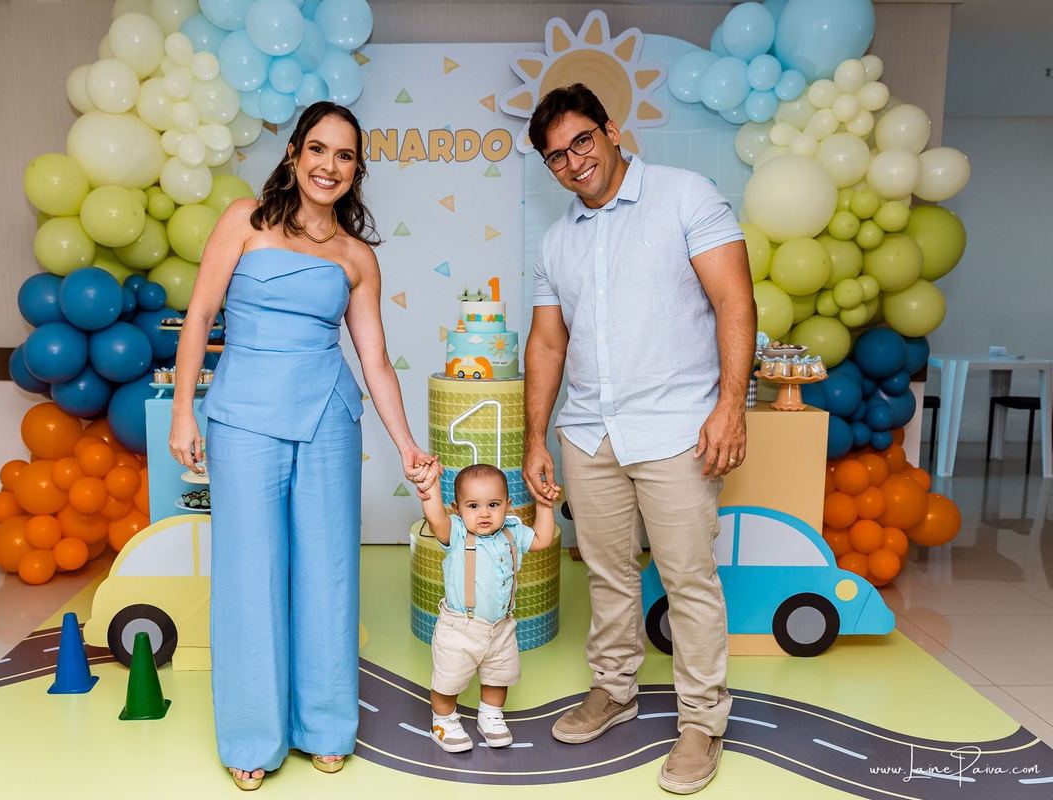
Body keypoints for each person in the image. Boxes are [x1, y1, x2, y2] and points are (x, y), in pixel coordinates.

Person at [169, 102, 437, 791]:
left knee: (328, 572)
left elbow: (376, 361)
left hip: (327, 420)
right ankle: (253, 736)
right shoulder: (244, 221)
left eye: (345, 156)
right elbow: (200, 314)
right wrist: (182, 412)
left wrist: (408, 446)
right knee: (249, 574)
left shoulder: (356, 257)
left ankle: (324, 727)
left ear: (356, 171)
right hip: (243, 418)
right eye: (318, 149)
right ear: (293, 154)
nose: (329, 166)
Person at [521, 84, 755, 795]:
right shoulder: (557, 240)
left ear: (611, 130)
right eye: (557, 156)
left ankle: (702, 722)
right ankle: (615, 689)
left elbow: (734, 300)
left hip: (677, 428)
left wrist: (731, 406)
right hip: (590, 432)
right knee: (607, 573)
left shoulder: (685, 196)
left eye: (582, 141)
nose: (574, 161)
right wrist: (536, 438)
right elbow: (547, 343)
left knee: (687, 578)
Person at [416, 462, 555, 752]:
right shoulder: (455, 533)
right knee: (448, 679)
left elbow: (543, 539)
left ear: (507, 505)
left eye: (493, 505)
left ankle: (490, 715)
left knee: (498, 676)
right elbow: (436, 518)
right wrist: (430, 488)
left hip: (501, 626)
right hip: (460, 628)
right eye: (473, 506)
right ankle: (443, 721)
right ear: (457, 509)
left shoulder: (512, 532)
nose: (484, 514)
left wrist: (544, 505)